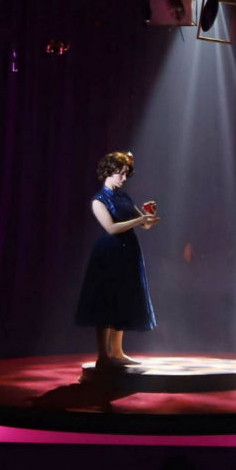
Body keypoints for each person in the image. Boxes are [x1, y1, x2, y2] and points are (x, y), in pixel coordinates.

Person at [74, 150, 161, 368]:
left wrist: (148, 216)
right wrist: (140, 219)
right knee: (105, 302)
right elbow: (111, 228)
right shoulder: (98, 200)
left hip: (128, 253)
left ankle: (118, 352)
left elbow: (144, 225)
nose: (124, 178)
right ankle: (104, 356)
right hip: (109, 254)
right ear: (109, 171)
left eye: (125, 174)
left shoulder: (124, 197)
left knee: (123, 300)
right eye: (121, 173)